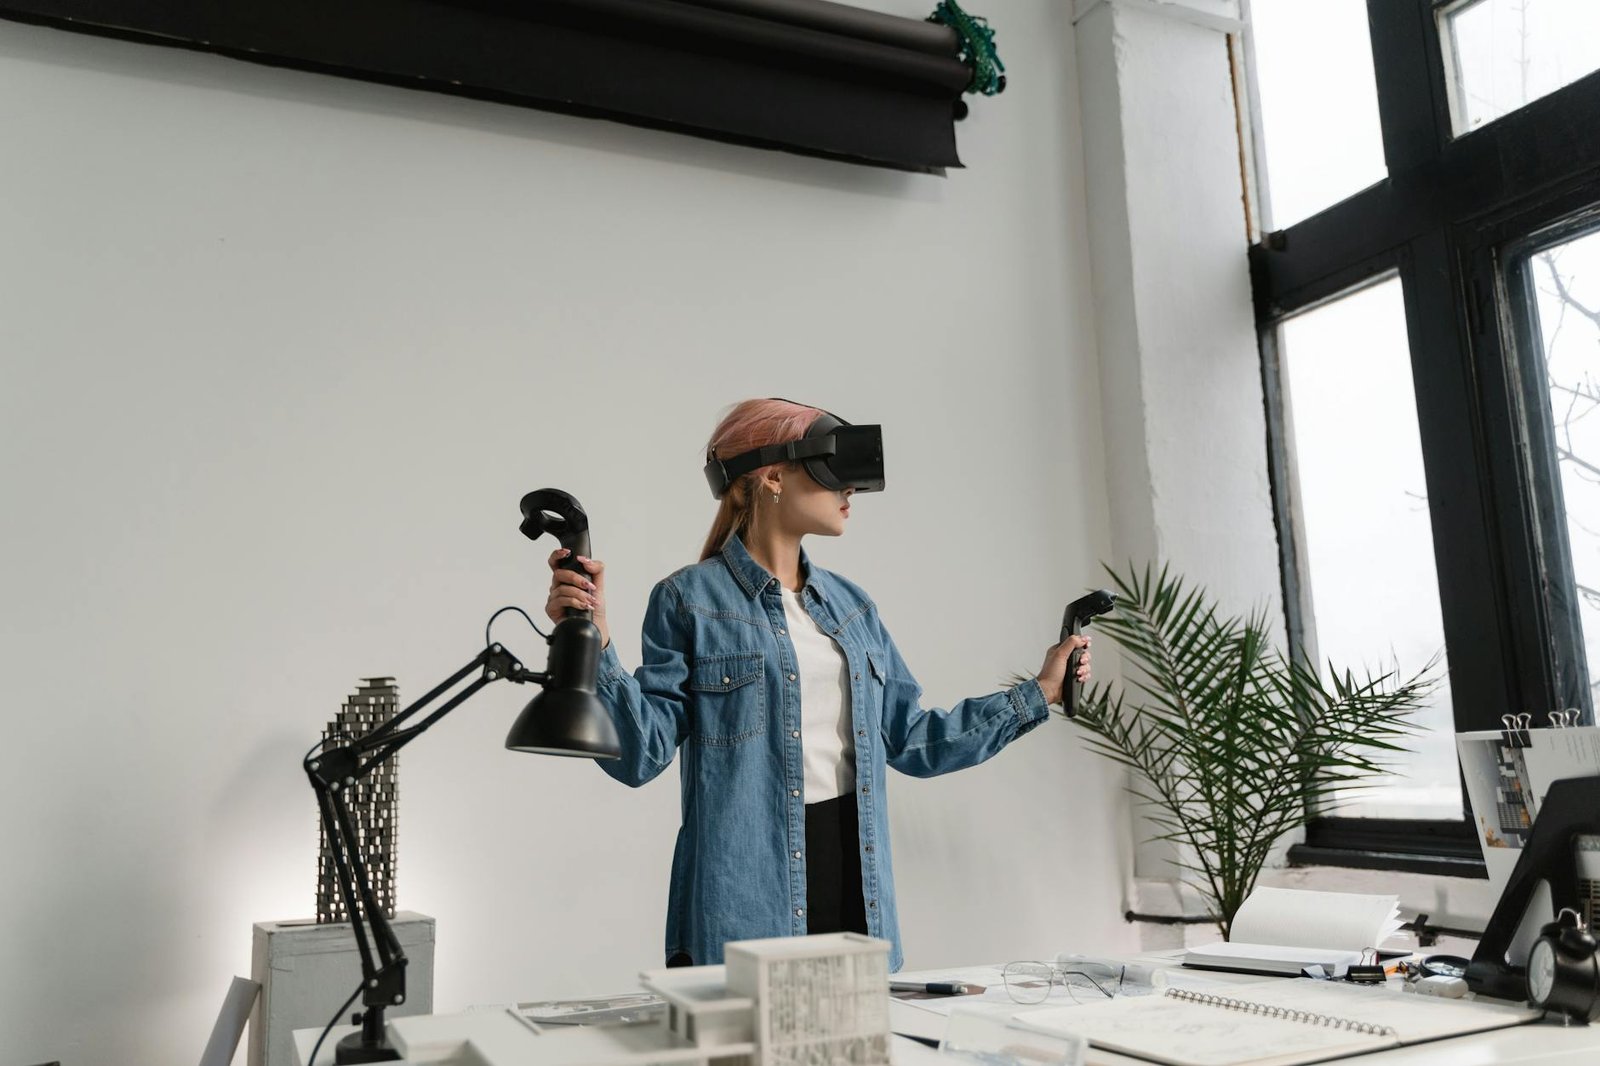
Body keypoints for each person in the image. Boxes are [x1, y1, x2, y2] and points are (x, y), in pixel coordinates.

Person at [543, 398, 1089, 971]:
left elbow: (912, 742)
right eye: (831, 470)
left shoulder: (853, 608)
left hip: (856, 889)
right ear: (772, 476)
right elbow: (641, 753)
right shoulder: (688, 600)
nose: (849, 490)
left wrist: (1041, 691)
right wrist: (595, 639)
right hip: (747, 901)